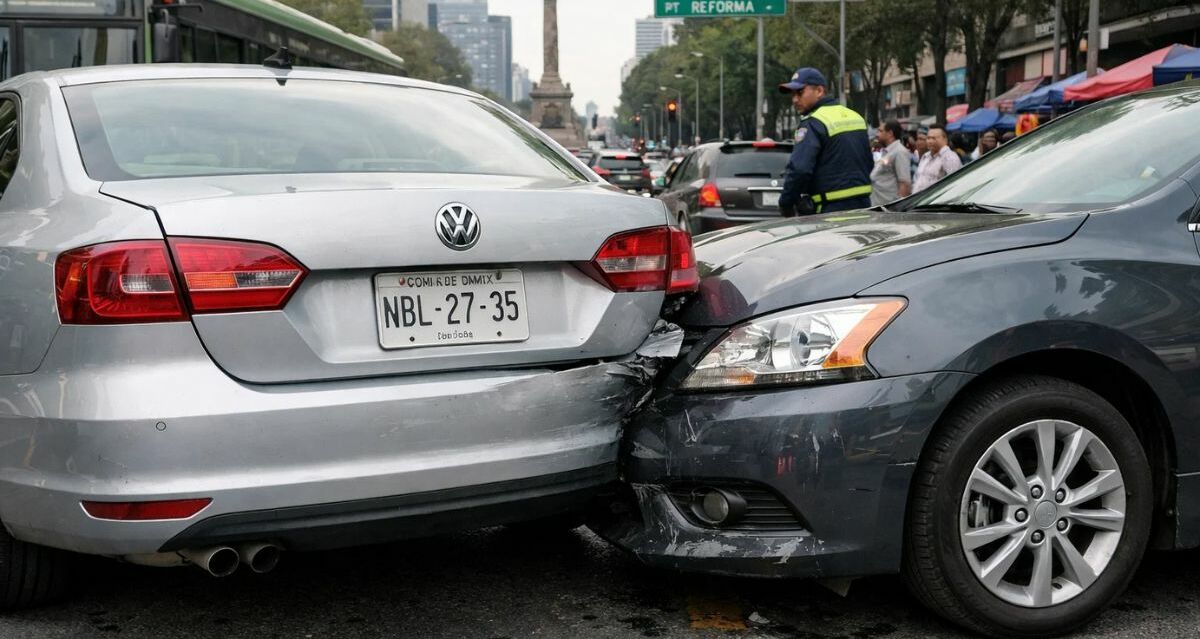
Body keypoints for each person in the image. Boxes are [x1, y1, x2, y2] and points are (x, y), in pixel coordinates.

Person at [775, 67, 873, 215]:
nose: (795, 99)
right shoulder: (855, 116)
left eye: (800, 92)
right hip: (864, 208)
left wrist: (786, 203)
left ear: (819, 91)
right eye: (793, 94)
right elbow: (868, 162)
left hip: (829, 211)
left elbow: (800, 170)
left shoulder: (812, 123)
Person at [870, 119, 912, 206]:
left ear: (890, 133)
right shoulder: (887, 151)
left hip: (889, 208)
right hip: (879, 206)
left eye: (880, 131)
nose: (877, 134)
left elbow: (905, 183)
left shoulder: (900, 152)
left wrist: (899, 209)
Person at [913, 124, 962, 193]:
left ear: (945, 139)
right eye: (928, 138)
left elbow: (955, 184)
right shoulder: (925, 156)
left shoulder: (950, 157)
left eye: (934, 138)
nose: (930, 141)